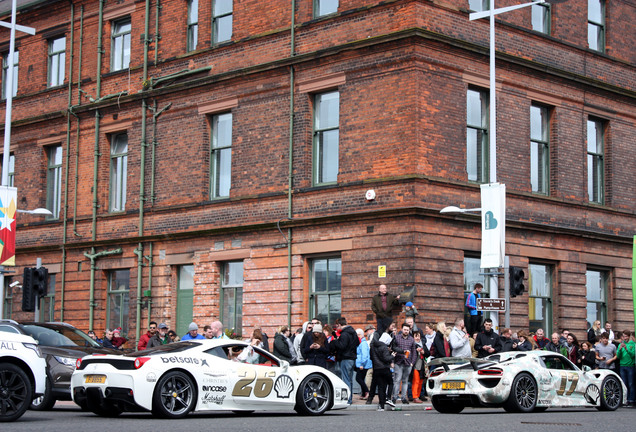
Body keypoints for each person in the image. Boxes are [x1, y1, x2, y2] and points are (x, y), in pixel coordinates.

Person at [330, 317, 359, 404]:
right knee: (349, 379)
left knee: (345, 379)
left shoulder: (344, 334)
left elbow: (342, 346)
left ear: (339, 325)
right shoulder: (353, 333)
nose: (336, 328)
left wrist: (335, 341)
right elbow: (357, 343)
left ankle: (347, 399)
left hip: (345, 358)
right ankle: (350, 398)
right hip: (352, 358)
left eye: (337, 326)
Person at [391, 323, 417, 405]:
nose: (406, 331)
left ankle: (403, 398)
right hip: (398, 362)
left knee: (405, 381)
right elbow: (393, 349)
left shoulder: (412, 339)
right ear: (402, 329)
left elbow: (414, 352)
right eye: (405, 329)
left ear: (409, 330)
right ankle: (394, 397)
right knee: (397, 380)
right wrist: (392, 362)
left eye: (407, 330)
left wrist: (412, 362)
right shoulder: (397, 337)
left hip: (408, 363)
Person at [370, 332, 395, 411]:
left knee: (381, 387)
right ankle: (388, 398)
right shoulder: (384, 347)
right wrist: (392, 356)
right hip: (384, 368)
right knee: (390, 382)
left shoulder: (373, 346)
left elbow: (371, 357)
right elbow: (386, 358)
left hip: (377, 369)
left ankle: (381, 405)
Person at [616, 330, 635, 406]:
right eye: (624, 336)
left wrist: (627, 349)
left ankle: (631, 400)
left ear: (629, 336)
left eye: (626, 336)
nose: (625, 338)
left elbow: (633, 355)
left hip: (630, 366)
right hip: (622, 366)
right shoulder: (620, 344)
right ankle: (625, 400)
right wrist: (620, 350)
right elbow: (618, 356)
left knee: (631, 383)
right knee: (624, 384)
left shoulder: (632, 344)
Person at [411, 330, 429, 403]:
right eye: (415, 336)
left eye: (418, 336)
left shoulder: (423, 344)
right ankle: (415, 397)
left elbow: (428, 353)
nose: (417, 338)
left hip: (422, 366)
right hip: (415, 365)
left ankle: (418, 396)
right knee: (416, 381)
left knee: (421, 381)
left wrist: (423, 352)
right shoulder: (412, 345)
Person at [355, 328, 372, 400]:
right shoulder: (361, 343)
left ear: (360, 335)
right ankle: (363, 393)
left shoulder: (363, 343)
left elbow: (364, 355)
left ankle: (367, 392)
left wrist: (362, 364)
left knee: (358, 378)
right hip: (362, 364)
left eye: (357, 335)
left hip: (363, 365)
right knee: (361, 378)